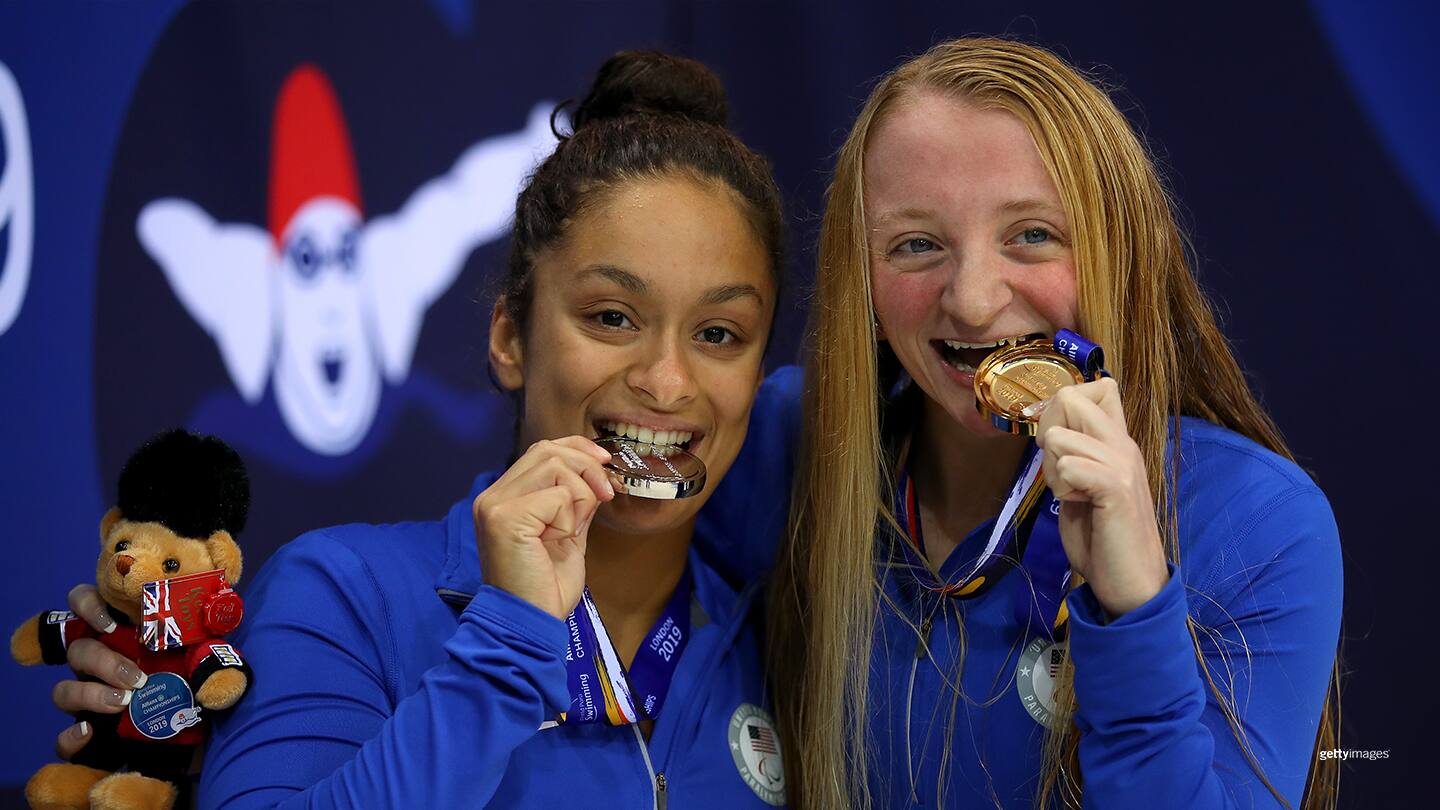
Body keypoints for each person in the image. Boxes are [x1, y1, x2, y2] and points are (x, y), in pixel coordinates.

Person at [42, 51, 798, 809]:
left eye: (720, 333)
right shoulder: (344, 595)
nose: (667, 381)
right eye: (611, 317)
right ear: (509, 338)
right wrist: (506, 644)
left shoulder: (793, 644)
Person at [763, 38, 1343, 808]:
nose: (972, 299)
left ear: (1122, 254)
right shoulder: (786, 448)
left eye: (1032, 234)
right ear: (858, 280)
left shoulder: (1257, 520)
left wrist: (1134, 607)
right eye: (915, 244)